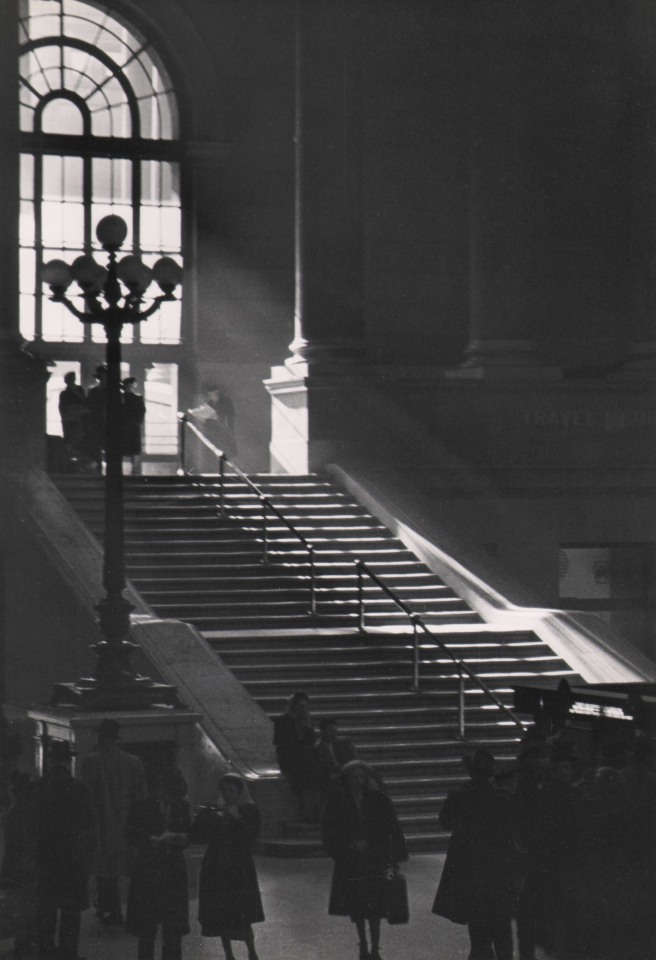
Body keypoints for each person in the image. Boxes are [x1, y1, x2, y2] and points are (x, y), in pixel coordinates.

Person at [432, 748, 518, 960]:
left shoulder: (459, 796)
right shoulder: (503, 798)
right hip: (498, 870)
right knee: (501, 929)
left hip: (469, 869)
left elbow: (445, 823)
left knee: (478, 929)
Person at [322, 759, 408, 960]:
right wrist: (348, 844)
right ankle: (363, 943)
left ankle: (375, 947)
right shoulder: (338, 801)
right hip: (352, 859)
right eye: (353, 777)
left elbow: (390, 828)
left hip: (374, 857)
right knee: (358, 905)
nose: (358, 781)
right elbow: (330, 829)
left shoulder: (379, 799)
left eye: (361, 777)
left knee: (375, 906)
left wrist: (381, 849)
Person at [33, 740, 98, 960]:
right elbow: (90, 827)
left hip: (45, 858)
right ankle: (68, 953)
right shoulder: (80, 789)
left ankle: (46, 950)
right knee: (71, 913)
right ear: (69, 761)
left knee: (46, 910)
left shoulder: (38, 788)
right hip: (72, 859)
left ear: (49, 760)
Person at [79, 718, 147, 926]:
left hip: (101, 822)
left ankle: (110, 908)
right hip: (128, 822)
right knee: (124, 868)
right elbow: (141, 796)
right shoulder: (133, 761)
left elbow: (86, 796)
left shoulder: (92, 761)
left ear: (100, 736)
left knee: (103, 869)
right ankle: (121, 908)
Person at [191, 773, 264, 960]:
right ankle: (228, 954)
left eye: (231, 790)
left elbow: (250, 835)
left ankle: (251, 951)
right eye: (224, 790)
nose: (227, 794)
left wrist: (237, 817)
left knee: (241, 912)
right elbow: (203, 835)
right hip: (217, 865)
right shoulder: (218, 809)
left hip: (238, 866)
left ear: (239, 791)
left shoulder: (249, 809)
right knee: (221, 913)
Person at [125, 765, 191, 960]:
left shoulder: (181, 806)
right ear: (161, 790)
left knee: (173, 929)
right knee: (146, 929)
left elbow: (188, 834)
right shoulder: (140, 806)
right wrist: (149, 840)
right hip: (149, 870)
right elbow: (130, 835)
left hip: (172, 871)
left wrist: (180, 838)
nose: (173, 801)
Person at [0, 771, 38, 958]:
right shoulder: (28, 810)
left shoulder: (15, 810)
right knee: (27, 905)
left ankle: (23, 940)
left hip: (16, 866)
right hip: (27, 865)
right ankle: (26, 940)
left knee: (19, 906)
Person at [273, 691, 320, 822]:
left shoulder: (307, 722)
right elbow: (279, 742)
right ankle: (308, 813)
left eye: (305, 707)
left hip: (305, 759)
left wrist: (307, 728)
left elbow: (312, 742)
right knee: (303, 779)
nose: (303, 710)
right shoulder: (282, 721)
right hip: (290, 758)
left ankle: (315, 811)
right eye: (300, 706)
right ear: (293, 706)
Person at [314, 717, 357, 807]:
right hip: (329, 780)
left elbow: (353, 760)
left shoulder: (344, 743)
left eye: (335, 730)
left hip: (345, 776)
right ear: (322, 731)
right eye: (330, 731)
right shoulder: (316, 748)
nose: (334, 733)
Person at [82, 364, 107, 473]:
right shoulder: (93, 391)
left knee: (107, 447)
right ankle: (98, 468)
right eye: (101, 377)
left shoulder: (110, 392)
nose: (103, 379)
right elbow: (89, 407)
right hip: (97, 423)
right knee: (97, 447)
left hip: (106, 423)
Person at [58, 372, 87, 455]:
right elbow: (62, 408)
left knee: (78, 439)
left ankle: (76, 455)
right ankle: (69, 455)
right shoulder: (64, 394)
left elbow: (84, 401)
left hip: (77, 419)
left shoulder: (79, 390)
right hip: (68, 419)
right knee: (69, 439)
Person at [122, 377, 146, 475]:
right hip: (129, 425)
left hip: (127, 425)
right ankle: (134, 469)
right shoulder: (136, 398)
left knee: (132, 448)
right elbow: (142, 411)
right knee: (132, 448)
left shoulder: (135, 397)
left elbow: (142, 411)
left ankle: (134, 468)